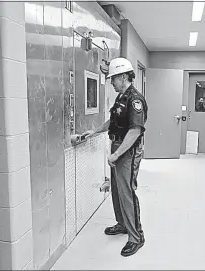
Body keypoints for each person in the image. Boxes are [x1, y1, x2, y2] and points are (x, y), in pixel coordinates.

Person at [83, 57, 148, 257]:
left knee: (126, 191)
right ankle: (122, 224)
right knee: (117, 191)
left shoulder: (135, 99)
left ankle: (136, 237)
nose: (111, 83)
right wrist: (94, 132)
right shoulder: (122, 97)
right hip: (118, 146)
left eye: (113, 79)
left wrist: (117, 154)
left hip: (127, 150)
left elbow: (135, 130)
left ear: (122, 76)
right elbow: (114, 120)